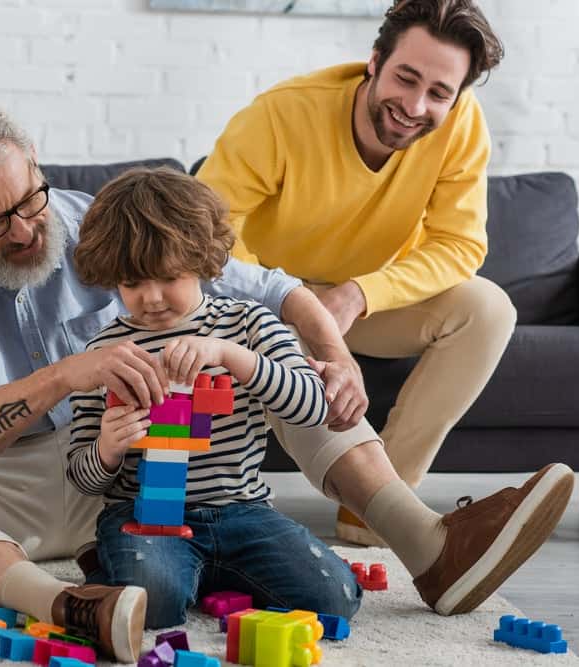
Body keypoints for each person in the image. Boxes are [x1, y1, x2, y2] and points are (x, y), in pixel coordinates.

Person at [0, 90, 568, 667]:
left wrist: (338, 355)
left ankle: (427, 543)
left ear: (37, 165)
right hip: (37, 479)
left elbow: (273, 289)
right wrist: (66, 376)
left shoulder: (108, 225)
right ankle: (68, 604)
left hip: (162, 476)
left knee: (267, 349)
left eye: (28, 201)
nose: (21, 232)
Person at [195, 0, 546, 552]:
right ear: (375, 61)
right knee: (277, 337)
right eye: (405, 78)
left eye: (438, 93)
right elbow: (203, 233)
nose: (415, 105)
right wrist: (287, 300)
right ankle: (403, 521)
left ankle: (375, 515)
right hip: (266, 299)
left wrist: (359, 294)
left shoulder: (461, 124)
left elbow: (458, 245)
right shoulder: (281, 115)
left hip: (361, 300)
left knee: (488, 309)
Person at [66, 167, 362, 629]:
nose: (152, 298)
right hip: (144, 515)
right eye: (132, 284)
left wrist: (231, 356)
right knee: (154, 607)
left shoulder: (249, 325)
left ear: (203, 259)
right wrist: (107, 448)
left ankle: (205, 573)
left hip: (241, 510)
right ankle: (123, 566)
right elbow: (83, 479)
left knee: (335, 597)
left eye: (168, 277)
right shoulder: (104, 354)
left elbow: (312, 407)